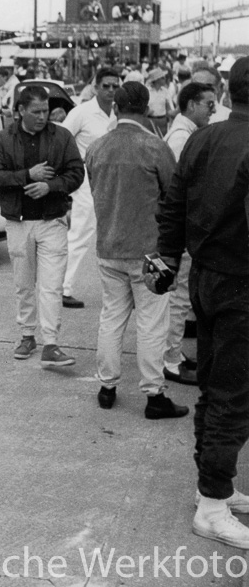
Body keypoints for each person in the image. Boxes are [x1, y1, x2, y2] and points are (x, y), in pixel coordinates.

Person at [149, 56, 249, 548]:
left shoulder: (203, 137)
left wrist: (168, 258)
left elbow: (172, 204)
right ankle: (211, 502)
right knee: (235, 394)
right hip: (241, 286)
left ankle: (214, 487)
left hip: (205, 279)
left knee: (214, 386)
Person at [85, 82, 187, 419]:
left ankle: (107, 386)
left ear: (115, 107)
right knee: (151, 324)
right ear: (145, 108)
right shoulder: (154, 147)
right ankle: (153, 394)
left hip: (108, 246)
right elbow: (174, 197)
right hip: (149, 251)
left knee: (112, 319)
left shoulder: (97, 147)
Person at [0, 83, 84, 366]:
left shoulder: (61, 136)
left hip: (52, 220)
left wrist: (50, 186)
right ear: (20, 111)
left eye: (46, 111)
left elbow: (77, 173)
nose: (43, 116)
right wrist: (27, 175)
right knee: (24, 284)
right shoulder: (3, 139)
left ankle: (51, 344)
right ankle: (28, 335)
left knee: (51, 286)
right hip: (19, 222)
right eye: (36, 111)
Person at [160, 81, 217, 386]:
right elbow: (184, 190)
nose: (213, 110)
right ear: (192, 105)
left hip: (182, 228)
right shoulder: (182, 138)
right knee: (179, 298)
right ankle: (169, 360)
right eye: (209, 104)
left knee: (180, 298)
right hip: (183, 230)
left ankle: (174, 353)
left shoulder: (186, 133)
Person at [60, 66, 119, 309]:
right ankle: (63, 288)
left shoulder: (118, 113)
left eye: (115, 86)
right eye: (106, 86)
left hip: (112, 180)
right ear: (95, 87)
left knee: (113, 234)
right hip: (86, 179)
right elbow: (62, 139)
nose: (111, 90)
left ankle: (119, 292)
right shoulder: (82, 112)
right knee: (81, 233)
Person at [145, 67, 174, 137]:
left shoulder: (165, 91)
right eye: (163, 78)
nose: (165, 79)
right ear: (157, 80)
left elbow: (169, 109)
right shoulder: (147, 91)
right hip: (150, 121)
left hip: (162, 122)